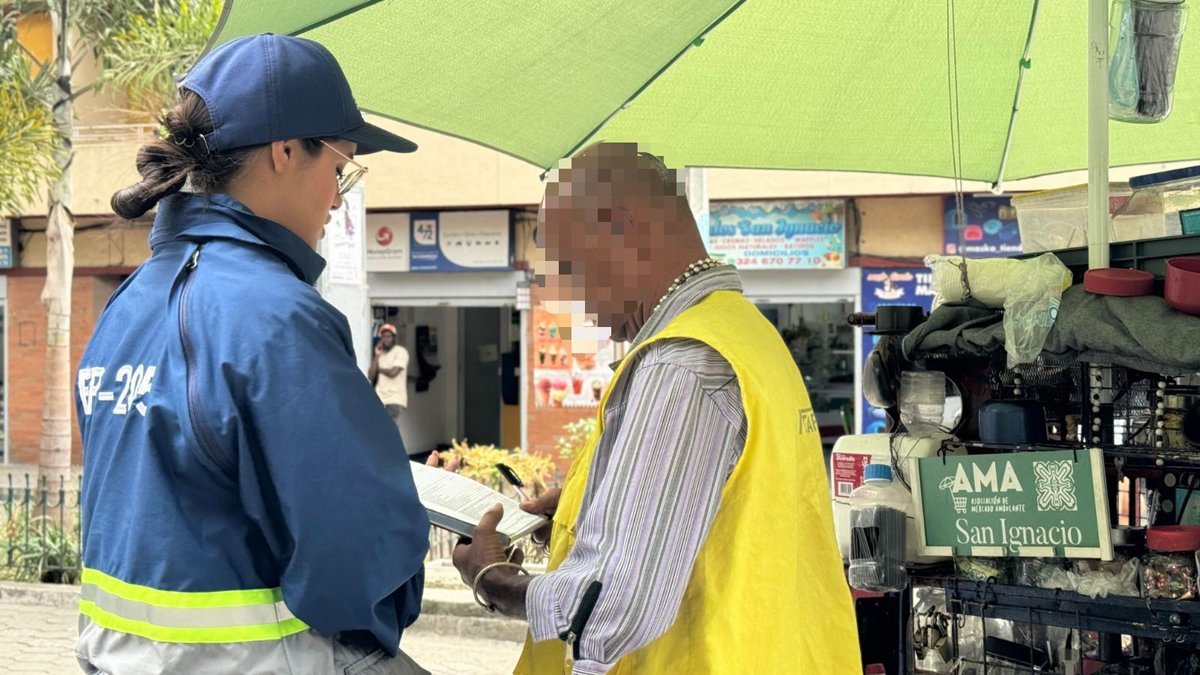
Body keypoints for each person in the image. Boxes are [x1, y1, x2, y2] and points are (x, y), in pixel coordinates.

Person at [74, 34, 431, 674]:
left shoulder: (125, 305)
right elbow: (356, 557)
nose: (338, 199)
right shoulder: (277, 316)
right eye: (340, 169)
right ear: (286, 151)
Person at [452, 142, 862, 673]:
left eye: (572, 267)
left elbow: (611, 608)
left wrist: (492, 579)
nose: (575, 297)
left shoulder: (682, 363)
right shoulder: (747, 334)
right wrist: (586, 509)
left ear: (623, 228)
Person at [370, 323, 410, 433]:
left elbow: (393, 372)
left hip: (394, 399)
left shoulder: (401, 352)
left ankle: (394, 450)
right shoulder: (381, 355)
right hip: (380, 398)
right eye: (383, 336)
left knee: (389, 430)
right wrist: (376, 356)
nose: (386, 339)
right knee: (380, 430)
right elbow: (371, 375)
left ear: (394, 338)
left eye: (388, 336)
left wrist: (380, 370)